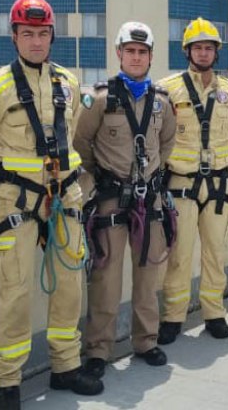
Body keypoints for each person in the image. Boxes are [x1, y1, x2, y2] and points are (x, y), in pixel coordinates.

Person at [0, 0, 103, 409]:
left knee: (70, 285)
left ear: (52, 35)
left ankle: (66, 367)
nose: (36, 42)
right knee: (14, 291)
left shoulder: (68, 83)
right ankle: (6, 381)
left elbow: (71, 136)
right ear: (15, 38)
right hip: (16, 202)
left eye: (42, 34)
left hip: (64, 198)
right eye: (27, 34)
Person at [74, 21, 176, 379]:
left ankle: (146, 341)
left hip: (148, 200)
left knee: (148, 274)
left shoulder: (161, 102)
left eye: (142, 52)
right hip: (110, 199)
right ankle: (98, 349)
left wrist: (152, 179)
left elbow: (165, 144)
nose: (136, 57)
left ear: (150, 56)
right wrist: (101, 177)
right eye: (129, 51)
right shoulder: (100, 99)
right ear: (119, 54)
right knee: (106, 277)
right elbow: (81, 144)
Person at [157, 18, 228, 344]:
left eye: (209, 48)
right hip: (180, 184)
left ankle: (214, 313)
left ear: (216, 52)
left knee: (215, 253)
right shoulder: (168, 89)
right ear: (188, 51)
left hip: (218, 186)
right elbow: (161, 136)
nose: (203, 53)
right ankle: (173, 317)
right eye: (198, 47)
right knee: (179, 254)